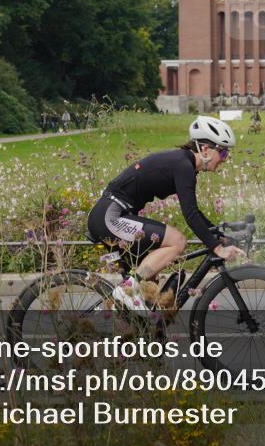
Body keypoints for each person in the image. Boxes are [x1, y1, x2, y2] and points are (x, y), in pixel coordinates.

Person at [87, 115, 243, 311]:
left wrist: (216, 235)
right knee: (178, 241)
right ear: (205, 149)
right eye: (222, 152)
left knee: (150, 285)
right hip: (110, 217)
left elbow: (194, 212)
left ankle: (141, 332)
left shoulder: (183, 164)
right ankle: (126, 289)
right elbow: (190, 214)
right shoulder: (182, 165)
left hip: (114, 214)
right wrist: (216, 248)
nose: (224, 159)